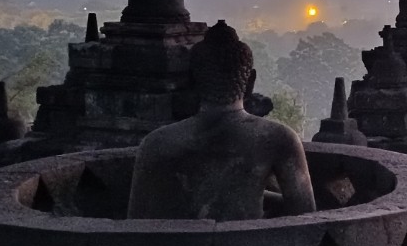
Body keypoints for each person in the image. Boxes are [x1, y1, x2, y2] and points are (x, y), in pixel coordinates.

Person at [127, 21, 316, 220]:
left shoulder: (157, 143)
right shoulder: (279, 139)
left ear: (191, 80)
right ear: (250, 82)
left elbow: (137, 224)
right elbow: (305, 219)